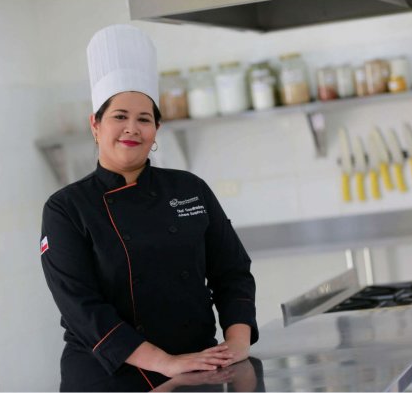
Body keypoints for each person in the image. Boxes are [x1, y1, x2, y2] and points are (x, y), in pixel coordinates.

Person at [40, 24, 258, 392]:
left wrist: (236, 345)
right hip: (107, 379)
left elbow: (232, 271)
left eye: (144, 119)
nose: (132, 129)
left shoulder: (189, 188)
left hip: (196, 370)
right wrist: (165, 363)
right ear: (95, 125)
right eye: (119, 116)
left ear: (157, 129)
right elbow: (81, 307)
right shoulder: (66, 208)